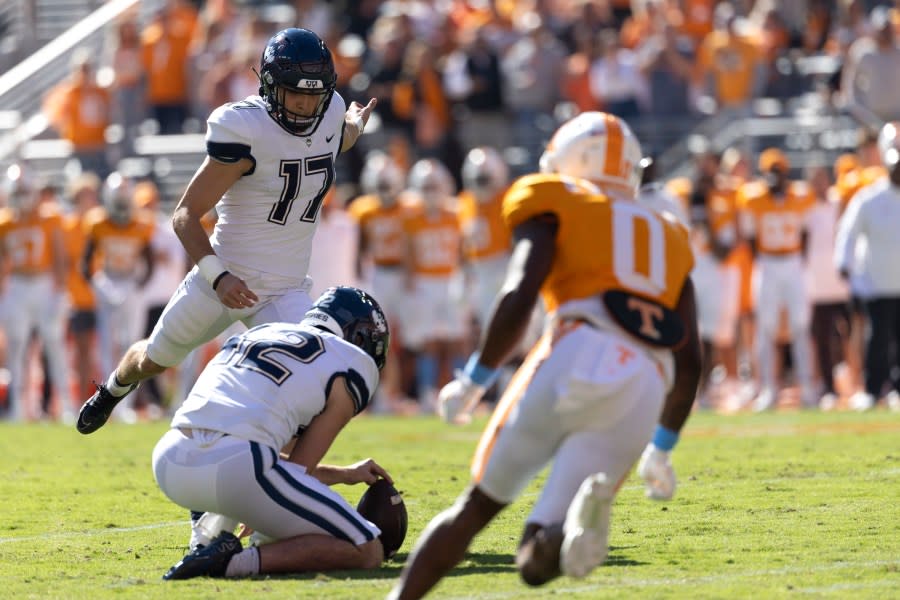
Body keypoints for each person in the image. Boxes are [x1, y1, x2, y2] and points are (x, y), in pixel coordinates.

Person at [389, 112, 701, 599]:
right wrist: (661, 448)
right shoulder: (671, 231)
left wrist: (475, 379)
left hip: (577, 349)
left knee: (475, 509)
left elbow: (520, 293)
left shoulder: (558, 199)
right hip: (644, 382)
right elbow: (691, 359)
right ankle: (566, 532)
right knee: (534, 561)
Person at [76, 27, 377, 434]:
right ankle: (113, 388)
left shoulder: (330, 113)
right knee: (154, 359)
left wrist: (353, 125)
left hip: (284, 290)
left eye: (314, 95)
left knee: (311, 389)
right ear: (270, 87)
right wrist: (218, 278)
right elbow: (185, 214)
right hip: (221, 279)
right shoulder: (245, 127)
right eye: (296, 94)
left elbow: (330, 140)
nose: (306, 106)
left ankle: (259, 473)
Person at [154, 286, 393, 579]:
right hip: (238, 468)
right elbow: (296, 470)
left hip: (171, 460)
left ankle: (206, 543)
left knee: (248, 466)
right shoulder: (353, 363)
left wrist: (344, 475)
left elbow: (258, 449)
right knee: (367, 549)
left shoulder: (260, 332)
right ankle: (231, 563)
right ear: (358, 337)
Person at [737, 148, 816, 411]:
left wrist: (797, 263)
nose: (776, 178)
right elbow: (749, 238)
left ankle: (807, 386)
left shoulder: (800, 196)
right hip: (768, 263)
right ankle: (768, 388)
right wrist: (764, 263)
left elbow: (805, 233)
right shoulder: (753, 198)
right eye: (771, 173)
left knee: (801, 325)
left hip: (792, 263)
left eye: (779, 172)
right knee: (765, 327)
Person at [834, 121, 900, 412]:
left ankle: (896, 389)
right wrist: (844, 262)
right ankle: (874, 389)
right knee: (877, 339)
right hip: (879, 281)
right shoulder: (870, 197)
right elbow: (849, 230)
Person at [0, 165, 71, 422]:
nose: (21, 197)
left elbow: (61, 256)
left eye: (25, 191)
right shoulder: (5, 221)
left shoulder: (50, 217)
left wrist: (60, 291)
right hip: (17, 285)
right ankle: (17, 407)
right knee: (16, 346)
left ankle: (66, 405)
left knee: (54, 344)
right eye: (17, 191)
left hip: (44, 284)